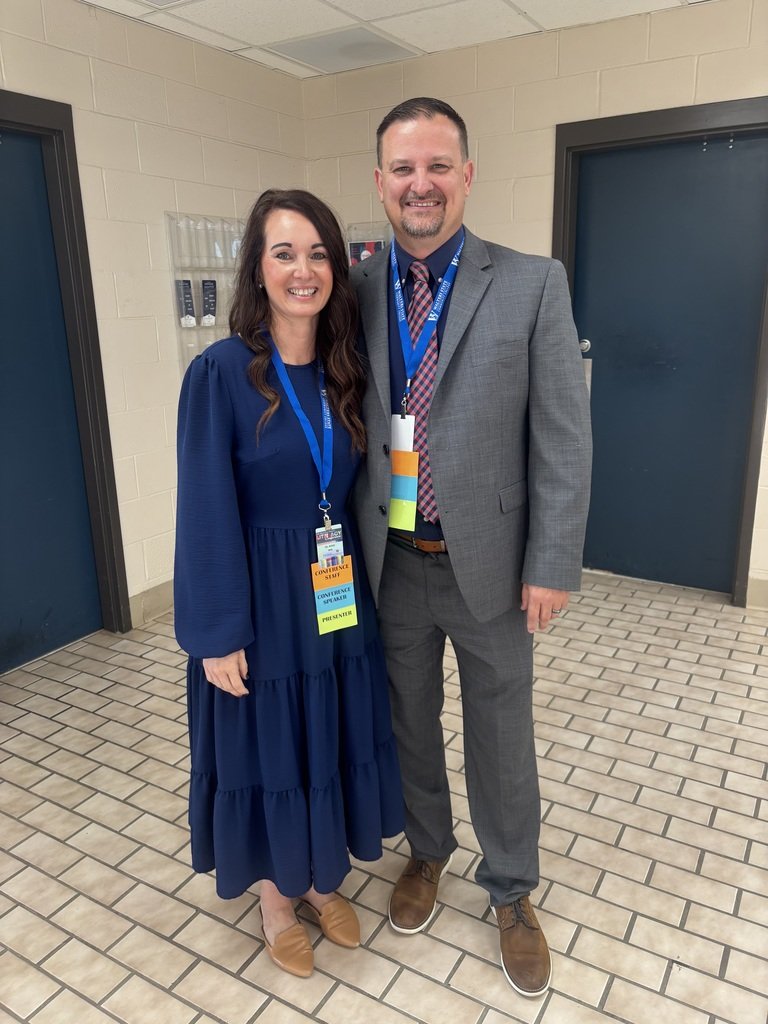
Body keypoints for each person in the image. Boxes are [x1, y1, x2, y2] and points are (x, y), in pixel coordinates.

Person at [351, 98, 592, 998]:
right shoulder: (355, 287)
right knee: (408, 722)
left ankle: (511, 889)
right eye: (404, 169)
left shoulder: (532, 282)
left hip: (491, 565)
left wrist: (553, 562)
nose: (421, 185)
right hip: (393, 565)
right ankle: (426, 852)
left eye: (438, 166)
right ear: (381, 182)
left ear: (467, 174)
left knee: (501, 735)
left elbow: (564, 439)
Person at [174, 188, 404, 980]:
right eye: (284, 253)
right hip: (260, 599)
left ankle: (316, 875)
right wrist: (215, 634)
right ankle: (276, 897)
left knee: (325, 735)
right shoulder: (219, 374)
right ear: (257, 267)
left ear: (337, 268)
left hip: (334, 593)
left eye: (316, 254)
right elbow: (202, 508)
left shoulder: (345, 367)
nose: (302, 270)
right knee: (270, 746)